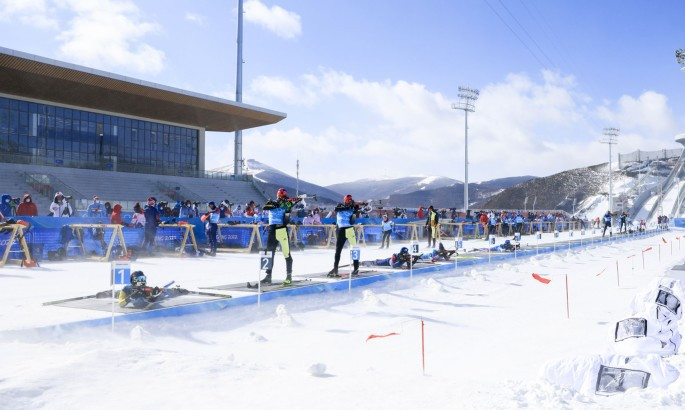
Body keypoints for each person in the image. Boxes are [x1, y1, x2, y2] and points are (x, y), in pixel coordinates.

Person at [259, 188, 301, 285]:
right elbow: (265, 207)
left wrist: (288, 209)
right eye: (279, 196)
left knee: (286, 254)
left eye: (282, 196)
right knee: (269, 254)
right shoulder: (271, 202)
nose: (280, 197)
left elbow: (286, 220)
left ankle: (289, 276)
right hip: (271, 230)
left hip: (282, 230)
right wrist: (278, 204)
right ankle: (268, 276)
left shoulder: (287, 204)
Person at [329, 194, 367, 277]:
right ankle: (335, 268)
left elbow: (352, 221)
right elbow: (336, 209)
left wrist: (355, 210)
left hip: (350, 229)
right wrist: (352, 207)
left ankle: (356, 269)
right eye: (348, 200)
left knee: (354, 249)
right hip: (341, 230)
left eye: (351, 200)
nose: (350, 201)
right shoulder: (340, 206)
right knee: (338, 250)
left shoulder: (353, 207)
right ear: (345, 201)